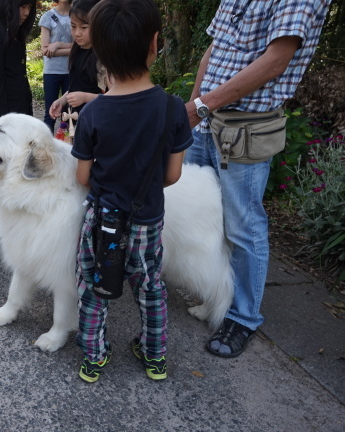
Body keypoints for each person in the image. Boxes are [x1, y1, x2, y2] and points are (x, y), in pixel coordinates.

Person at [184, 0, 332, 358]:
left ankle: (244, 316)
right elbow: (213, 50)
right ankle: (214, 294)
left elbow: (276, 60)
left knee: (243, 225)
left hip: (244, 128)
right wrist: (191, 111)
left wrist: (201, 105)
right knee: (200, 214)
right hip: (204, 121)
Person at [71, 0, 192, 382]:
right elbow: (172, 175)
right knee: (151, 287)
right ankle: (154, 356)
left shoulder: (93, 113)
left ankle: (94, 355)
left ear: (100, 52)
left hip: (102, 222)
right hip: (147, 223)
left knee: (93, 287)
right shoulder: (174, 109)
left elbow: (82, 177)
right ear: (155, 44)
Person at [0, 0, 36, 231]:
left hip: (19, 116)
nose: (25, 13)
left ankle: (14, 213)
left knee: (19, 168)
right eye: (20, 7)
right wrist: (5, 130)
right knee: (1, 169)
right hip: (2, 121)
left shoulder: (15, 37)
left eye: (29, 7)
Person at [48, 0, 106, 127]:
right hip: (73, 118)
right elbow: (76, 86)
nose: (77, 33)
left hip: (94, 120)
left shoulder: (103, 56)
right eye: (73, 26)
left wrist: (85, 97)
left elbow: (111, 97)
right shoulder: (76, 50)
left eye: (84, 27)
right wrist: (62, 101)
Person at [38, 0, 72, 133]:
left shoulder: (77, 14)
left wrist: (58, 44)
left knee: (69, 113)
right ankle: (47, 147)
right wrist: (72, 49)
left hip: (72, 70)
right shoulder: (47, 16)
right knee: (50, 113)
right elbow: (45, 50)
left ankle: (68, 144)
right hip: (52, 71)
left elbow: (82, 46)